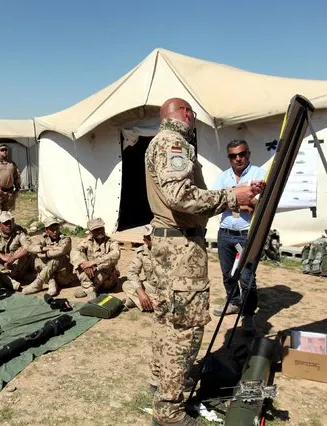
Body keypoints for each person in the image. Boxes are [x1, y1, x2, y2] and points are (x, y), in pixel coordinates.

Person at [144, 98, 262, 426]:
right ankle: (169, 409)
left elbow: (181, 198)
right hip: (181, 248)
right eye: (192, 114)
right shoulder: (174, 143)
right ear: (186, 114)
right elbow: (180, 196)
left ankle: (162, 380)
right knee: (186, 327)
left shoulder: (160, 143)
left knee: (169, 321)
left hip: (170, 244)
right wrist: (229, 197)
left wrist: (235, 201)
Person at [212, 139, 266, 335]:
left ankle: (249, 314)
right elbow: (215, 202)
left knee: (247, 277)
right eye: (233, 156)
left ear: (248, 154)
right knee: (228, 274)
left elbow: (259, 202)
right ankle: (233, 301)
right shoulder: (223, 177)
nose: (238, 158)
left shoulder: (258, 174)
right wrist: (242, 203)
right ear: (229, 158)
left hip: (247, 235)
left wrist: (231, 198)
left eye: (242, 154)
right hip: (225, 232)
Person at [22, 217, 76, 296]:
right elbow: (33, 248)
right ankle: (52, 283)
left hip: (64, 276)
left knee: (55, 260)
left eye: (57, 229)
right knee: (35, 257)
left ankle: (37, 284)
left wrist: (45, 254)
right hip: (51, 272)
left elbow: (61, 251)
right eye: (52, 229)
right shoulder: (45, 239)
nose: (55, 232)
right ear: (46, 231)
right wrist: (43, 248)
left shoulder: (65, 239)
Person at [0, 211, 35, 291]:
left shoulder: (19, 232)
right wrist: (3, 257)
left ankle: (7, 281)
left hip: (18, 266)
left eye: (10, 222)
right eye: (5, 223)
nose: (9, 225)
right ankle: (11, 282)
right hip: (3, 268)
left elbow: (27, 247)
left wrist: (13, 258)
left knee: (23, 251)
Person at [71, 218, 121, 299]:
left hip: (108, 279)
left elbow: (116, 254)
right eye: (96, 230)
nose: (100, 231)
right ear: (90, 232)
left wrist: (94, 262)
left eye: (101, 229)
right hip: (92, 274)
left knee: (105, 267)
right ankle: (90, 290)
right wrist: (83, 263)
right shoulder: (87, 241)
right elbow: (74, 252)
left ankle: (89, 289)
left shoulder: (112, 242)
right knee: (80, 262)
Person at [122, 225, 159, 312]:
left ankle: (134, 301)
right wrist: (140, 292)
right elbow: (132, 273)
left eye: (155, 236)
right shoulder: (141, 251)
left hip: (166, 288)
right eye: (150, 238)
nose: (154, 239)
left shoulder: (168, 250)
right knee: (127, 284)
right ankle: (153, 304)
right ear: (145, 240)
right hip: (151, 287)